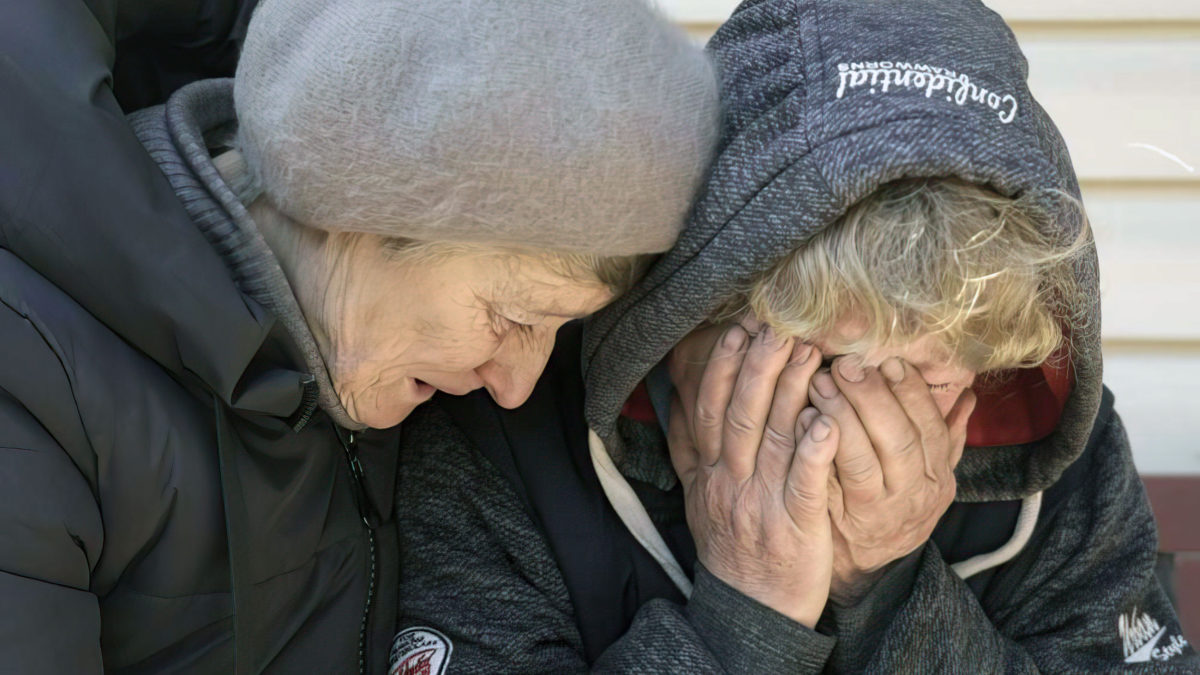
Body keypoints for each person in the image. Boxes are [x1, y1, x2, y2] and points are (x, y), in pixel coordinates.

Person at [392, 0, 1198, 671]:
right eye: (838, 368)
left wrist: (887, 590)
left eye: (935, 374)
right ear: (696, 304)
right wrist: (745, 615)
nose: (870, 429)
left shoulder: (1047, 452)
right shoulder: (505, 423)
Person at [0, 0, 720, 671]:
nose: (515, 386)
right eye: (512, 318)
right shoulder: (30, 390)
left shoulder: (365, 358)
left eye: (559, 331)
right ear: (354, 203)